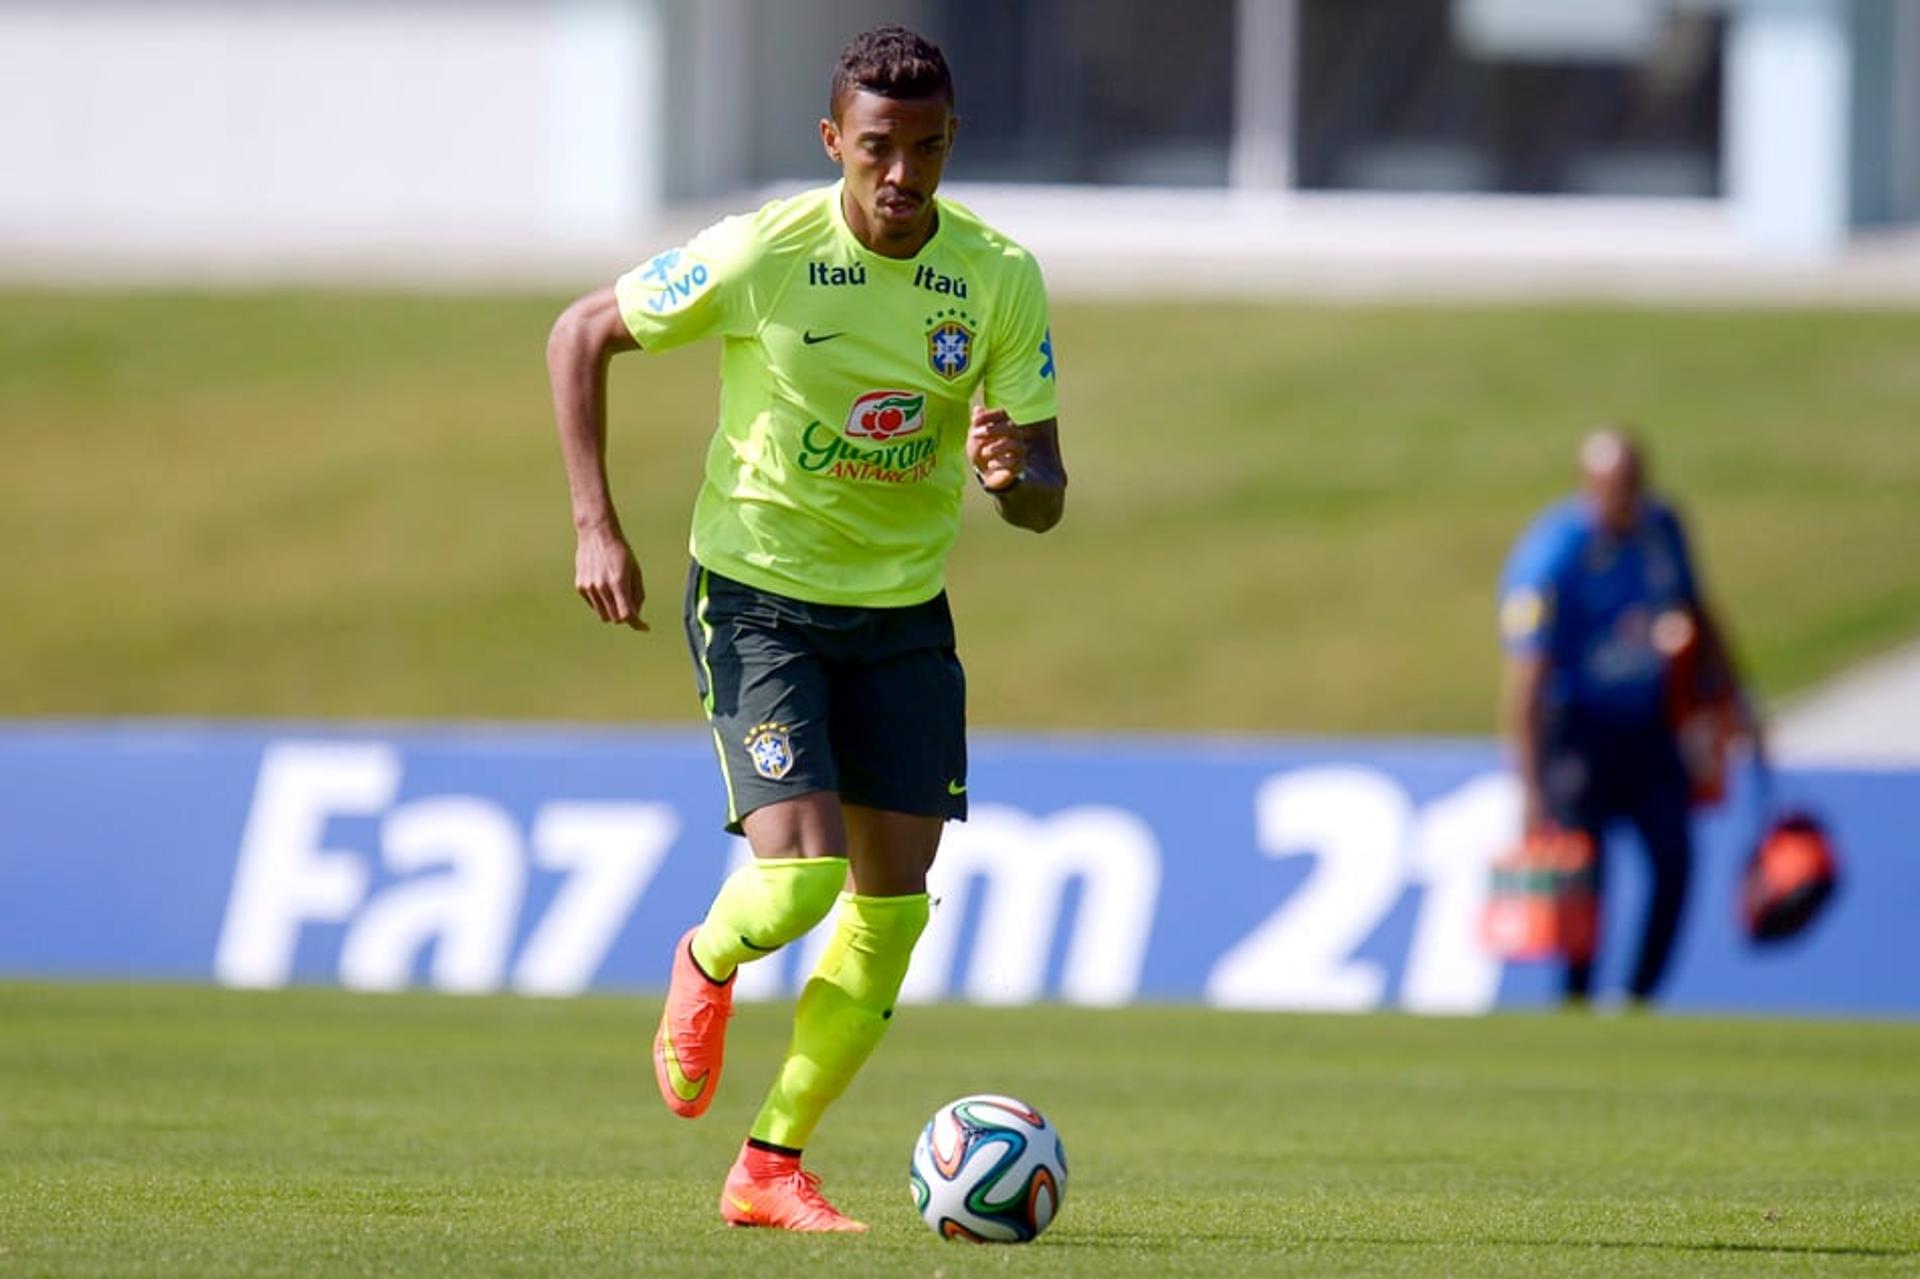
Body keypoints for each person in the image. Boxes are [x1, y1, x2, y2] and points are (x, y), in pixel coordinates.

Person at [543, 26, 1065, 1232]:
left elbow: (1044, 496)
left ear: (948, 146)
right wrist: (594, 525)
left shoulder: (998, 277)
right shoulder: (765, 251)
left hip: (902, 614)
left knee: (893, 905)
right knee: (800, 877)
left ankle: (769, 1163)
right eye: (877, 148)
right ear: (834, 140)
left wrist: (1008, 476)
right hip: (762, 595)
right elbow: (581, 333)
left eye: (925, 150)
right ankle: (709, 959)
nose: (901, 176)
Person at [1497, 429, 1758, 1007]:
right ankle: (1576, 1000)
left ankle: (1639, 999)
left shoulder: (1662, 532)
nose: (1625, 501)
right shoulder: (1552, 558)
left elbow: (1698, 612)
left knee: (1675, 854)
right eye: (1613, 490)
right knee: (1586, 875)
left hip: (1646, 724)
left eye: (1632, 487)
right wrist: (1529, 784)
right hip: (1579, 730)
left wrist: (1737, 704)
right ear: (1589, 488)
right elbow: (1527, 679)